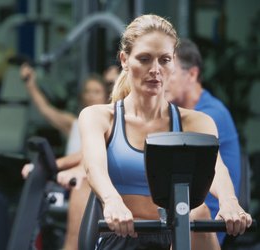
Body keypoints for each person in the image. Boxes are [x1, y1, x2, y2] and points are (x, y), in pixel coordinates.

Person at [78, 14, 252, 250]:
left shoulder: (197, 121)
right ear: (124, 60)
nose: (155, 69)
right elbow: (93, 168)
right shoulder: (99, 117)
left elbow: (215, 168)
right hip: (123, 233)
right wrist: (112, 201)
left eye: (164, 60)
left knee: (199, 213)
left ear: (173, 63)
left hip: (176, 235)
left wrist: (229, 202)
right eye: (145, 59)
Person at [20, 63, 112, 250]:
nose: (91, 95)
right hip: (64, 182)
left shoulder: (111, 124)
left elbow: (88, 155)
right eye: (87, 91)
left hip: (83, 182)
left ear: (105, 94)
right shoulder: (73, 123)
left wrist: (54, 165)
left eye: (96, 90)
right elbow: (45, 110)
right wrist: (30, 85)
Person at [165, 38, 241, 245]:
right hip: (180, 215)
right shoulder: (178, 115)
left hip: (206, 223)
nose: (162, 79)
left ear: (192, 74)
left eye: (170, 72)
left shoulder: (208, 116)